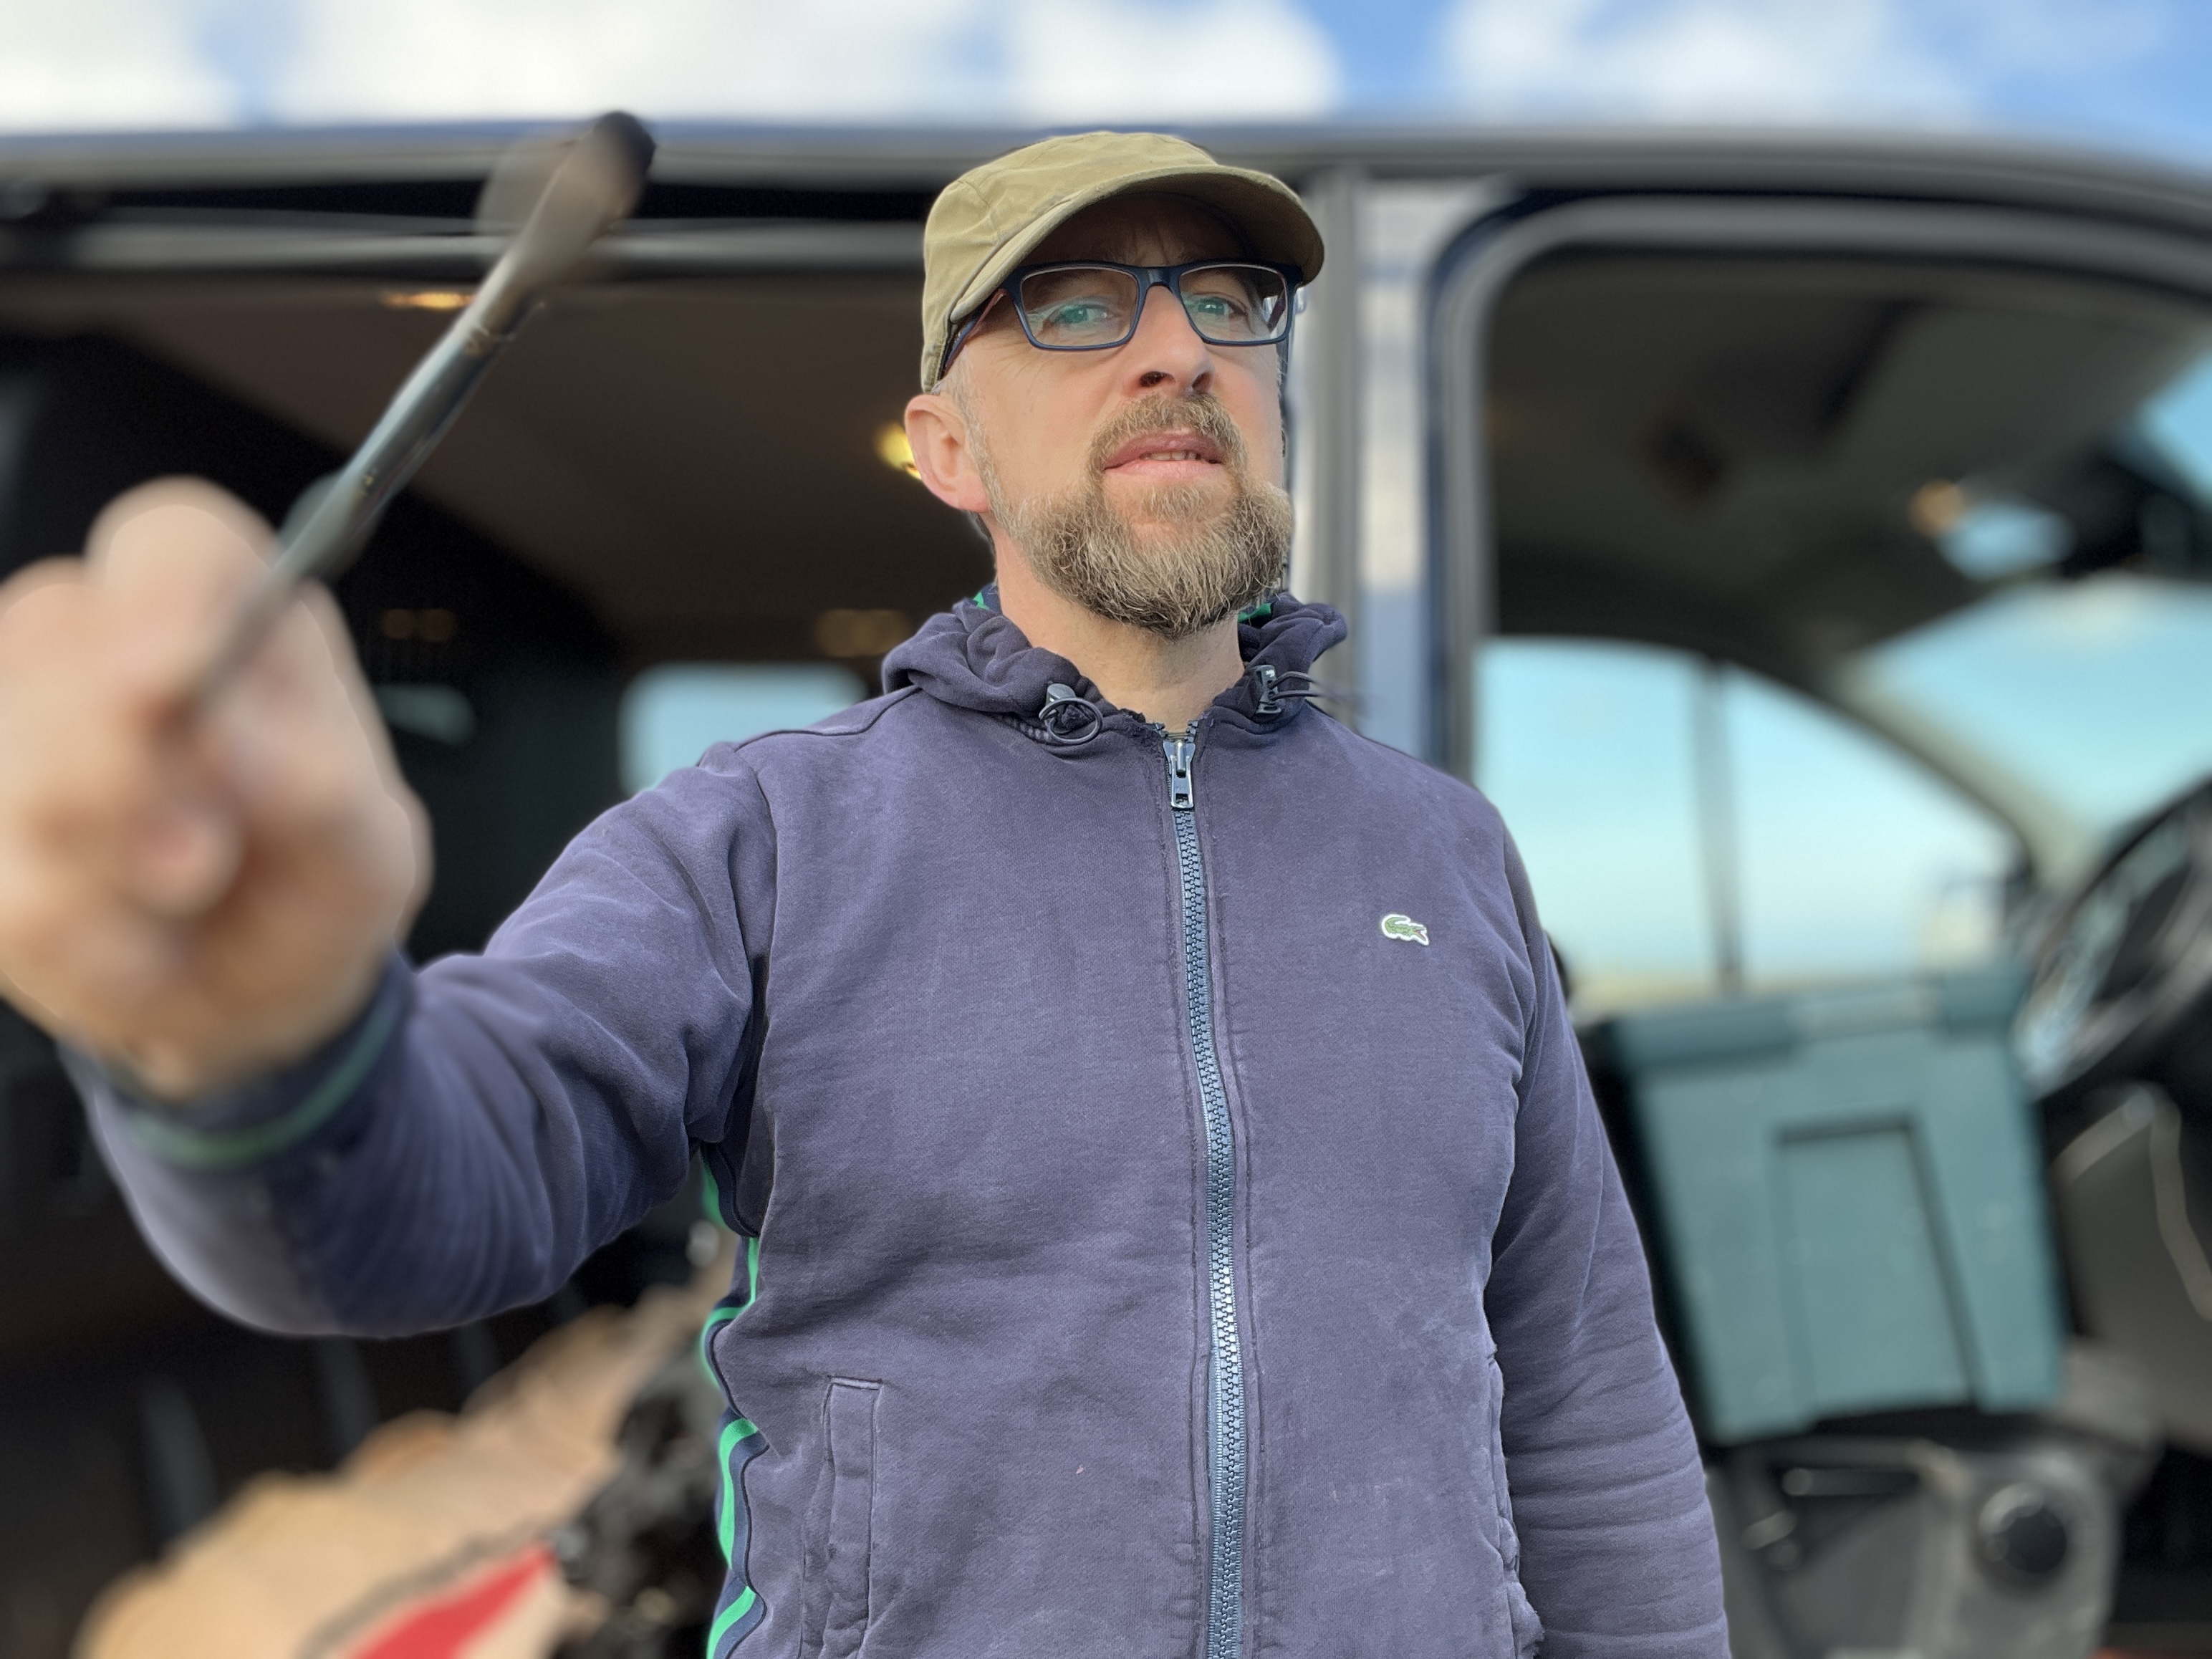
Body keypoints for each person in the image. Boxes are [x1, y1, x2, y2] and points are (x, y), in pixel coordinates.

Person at [0, 131, 1726, 1658]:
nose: (1176, 349)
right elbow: (439, 1185)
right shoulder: (762, 839)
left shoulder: (1446, 857)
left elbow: (1581, 1393)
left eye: (1228, 300)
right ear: (945, 450)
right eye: (1070, 306)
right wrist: (269, 1051)